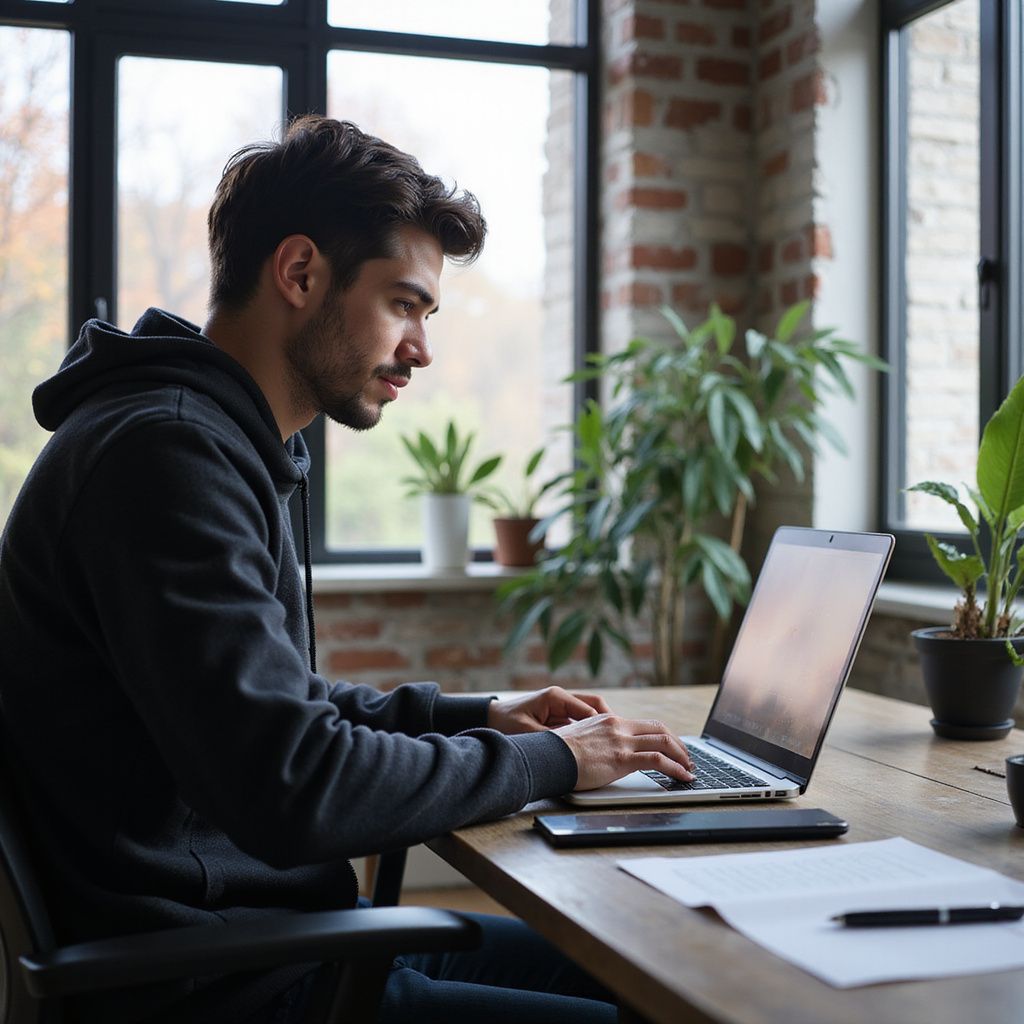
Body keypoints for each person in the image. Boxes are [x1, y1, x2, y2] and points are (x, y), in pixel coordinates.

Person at [0, 114, 693, 1024]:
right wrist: (551, 761)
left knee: (646, 968)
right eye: (404, 303)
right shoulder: (167, 457)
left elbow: (276, 711)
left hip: (251, 941)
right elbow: (293, 784)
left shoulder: (206, 438)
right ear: (299, 273)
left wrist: (481, 715)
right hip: (218, 982)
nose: (422, 349)